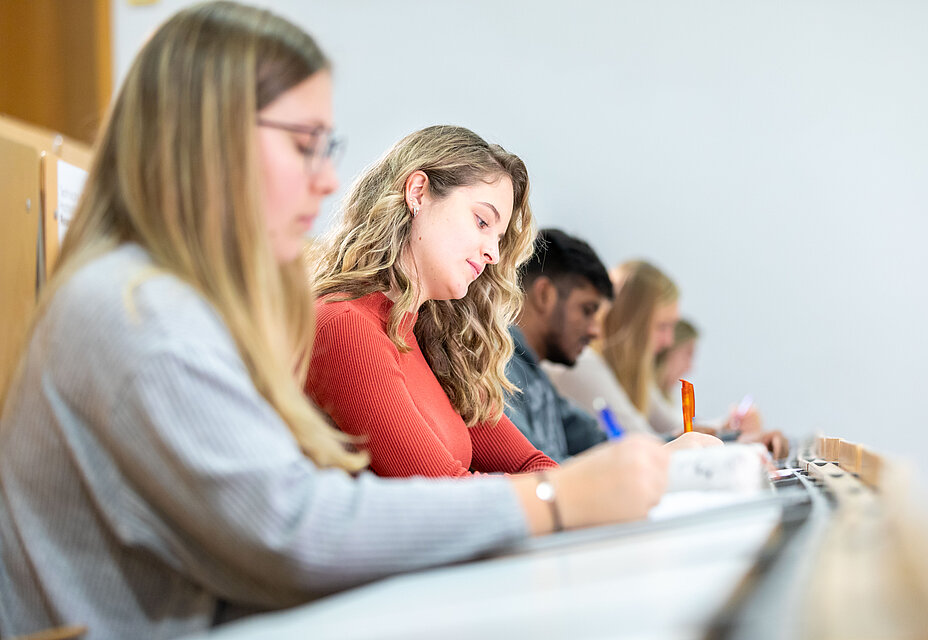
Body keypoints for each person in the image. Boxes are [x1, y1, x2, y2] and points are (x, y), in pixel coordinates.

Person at [0, 4, 676, 637]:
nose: (327, 181)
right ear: (207, 137)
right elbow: (297, 529)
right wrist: (554, 501)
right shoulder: (139, 315)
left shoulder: (165, 300)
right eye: (303, 145)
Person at [304, 125, 558, 478]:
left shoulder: (434, 343)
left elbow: (531, 466)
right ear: (418, 192)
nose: (493, 254)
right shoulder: (344, 324)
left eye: (499, 238)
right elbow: (447, 498)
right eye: (482, 221)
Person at [505, 229, 717, 461]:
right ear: (544, 295)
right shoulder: (503, 372)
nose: (595, 330)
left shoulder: (538, 378)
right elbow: (527, 472)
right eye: (587, 310)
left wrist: (680, 444)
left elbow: (601, 442)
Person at [546, 260, 789, 457]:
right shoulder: (584, 367)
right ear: (630, 325)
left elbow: (673, 428)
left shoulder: (622, 372)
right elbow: (647, 446)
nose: (668, 341)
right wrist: (736, 443)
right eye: (662, 327)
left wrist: (733, 428)